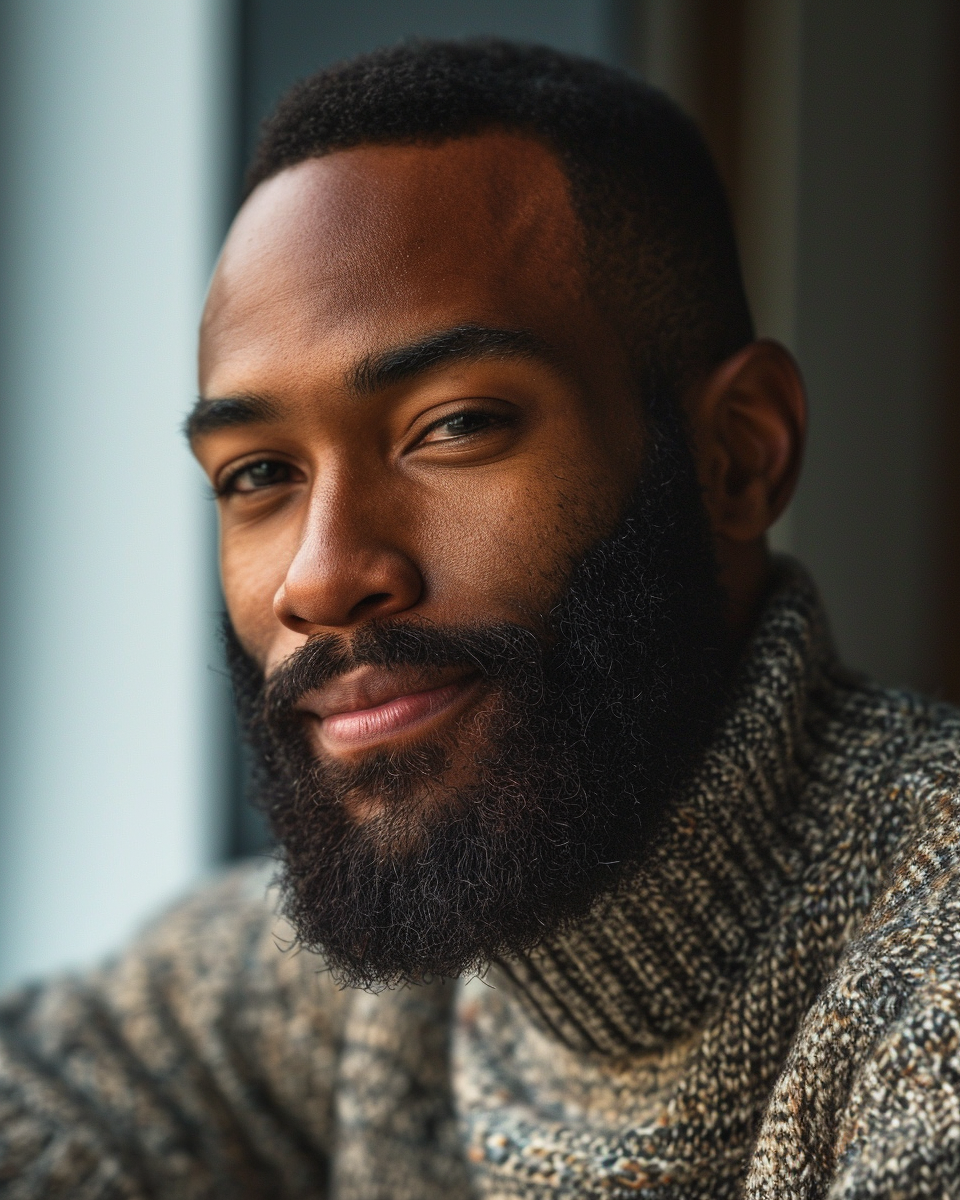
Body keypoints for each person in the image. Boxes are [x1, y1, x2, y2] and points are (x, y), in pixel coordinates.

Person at [1, 38, 958, 1200]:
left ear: (738, 456)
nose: (321, 577)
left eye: (452, 426)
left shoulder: (928, 957)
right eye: (257, 474)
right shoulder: (385, 970)